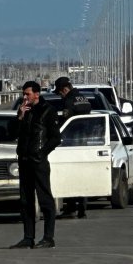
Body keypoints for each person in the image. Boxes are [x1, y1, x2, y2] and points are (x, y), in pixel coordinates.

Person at [12, 80, 60, 249]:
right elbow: (13, 134)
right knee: (26, 201)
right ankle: (28, 237)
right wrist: (20, 117)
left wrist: (41, 152)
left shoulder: (48, 111)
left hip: (38, 162)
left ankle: (48, 237)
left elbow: (56, 138)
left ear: (37, 94)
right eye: (23, 94)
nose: (24, 97)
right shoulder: (24, 111)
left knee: (45, 199)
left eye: (27, 94)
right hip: (24, 161)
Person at [52, 76, 92, 219]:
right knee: (82, 177)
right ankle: (82, 208)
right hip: (86, 143)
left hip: (72, 143)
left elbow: (65, 122)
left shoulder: (68, 101)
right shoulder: (83, 98)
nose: (60, 95)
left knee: (69, 176)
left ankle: (71, 207)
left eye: (59, 92)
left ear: (65, 89)